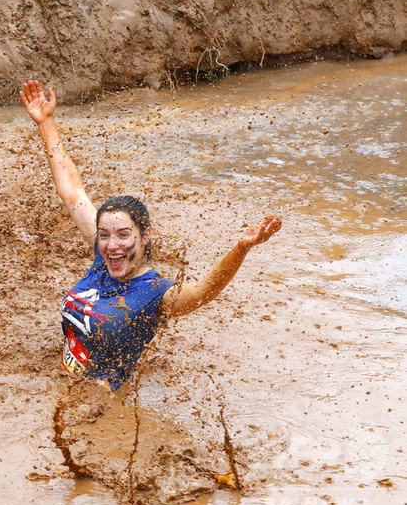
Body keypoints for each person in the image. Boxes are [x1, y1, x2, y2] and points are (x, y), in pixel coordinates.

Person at [20, 80, 282, 391]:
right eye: (103, 235)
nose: (112, 245)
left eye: (123, 235)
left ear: (144, 237)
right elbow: (71, 189)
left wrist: (241, 248)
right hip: (63, 389)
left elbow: (205, 291)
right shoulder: (103, 256)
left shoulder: (154, 293)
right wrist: (46, 123)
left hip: (103, 408)